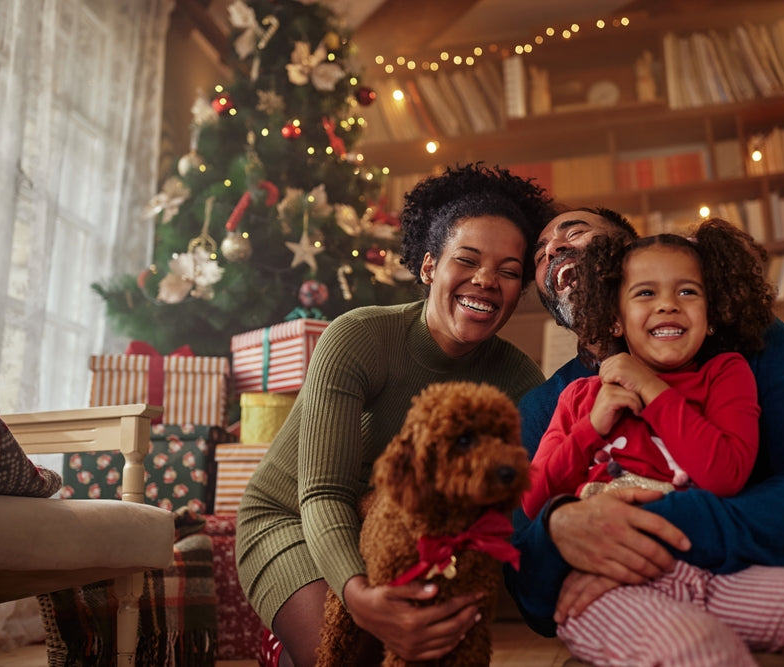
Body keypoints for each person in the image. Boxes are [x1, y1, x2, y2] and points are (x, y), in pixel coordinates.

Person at [505, 207, 784, 665]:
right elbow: (528, 580)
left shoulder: (746, 347)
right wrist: (559, 531)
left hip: (767, 584)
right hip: (633, 606)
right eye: (538, 255)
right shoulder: (549, 404)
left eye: (573, 233)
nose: (552, 249)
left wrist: (654, 527)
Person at [235, 163, 555, 667]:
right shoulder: (358, 338)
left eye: (509, 271)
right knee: (351, 656)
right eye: (466, 260)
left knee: (432, 646)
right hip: (292, 519)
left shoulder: (520, 383)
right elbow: (323, 491)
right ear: (429, 267)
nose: (487, 281)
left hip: (410, 535)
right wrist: (358, 595)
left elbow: (523, 503)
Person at [522, 220, 772, 519]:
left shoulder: (725, 373)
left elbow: (725, 477)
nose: (667, 305)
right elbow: (532, 500)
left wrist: (651, 388)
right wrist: (591, 428)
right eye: (645, 293)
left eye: (687, 292)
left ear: (712, 315)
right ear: (614, 319)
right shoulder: (578, 397)